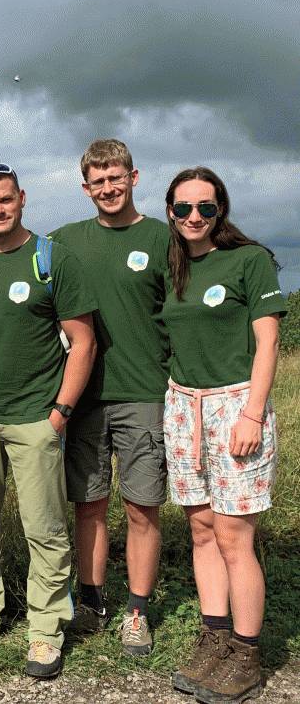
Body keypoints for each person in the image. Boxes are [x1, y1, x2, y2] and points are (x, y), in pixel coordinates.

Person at [0, 164, 96, 678]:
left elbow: (84, 342)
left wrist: (59, 413)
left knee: (44, 528)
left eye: (5, 200)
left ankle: (46, 630)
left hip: (34, 418)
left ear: (22, 198)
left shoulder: (51, 259)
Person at [161, 167, 285, 704]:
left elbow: (268, 342)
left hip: (236, 405)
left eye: (205, 208)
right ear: (170, 211)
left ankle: (246, 651)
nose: (194, 217)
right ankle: (214, 637)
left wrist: (252, 414)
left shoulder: (249, 261)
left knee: (236, 537)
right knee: (202, 531)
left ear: (221, 211)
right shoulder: (172, 267)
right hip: (183, 404)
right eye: (184, 208)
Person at [48, 139, 170, 655]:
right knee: (89, 502)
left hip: (145, 390)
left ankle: (137, 610)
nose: (108, 188)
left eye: (115, 177)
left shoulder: (164, 239)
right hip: (86, 395)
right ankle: (93, 601)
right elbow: (6, 245)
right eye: (98, 181)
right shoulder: (64, 241)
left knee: (142, 506)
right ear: (85, 188)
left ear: (134, 177)